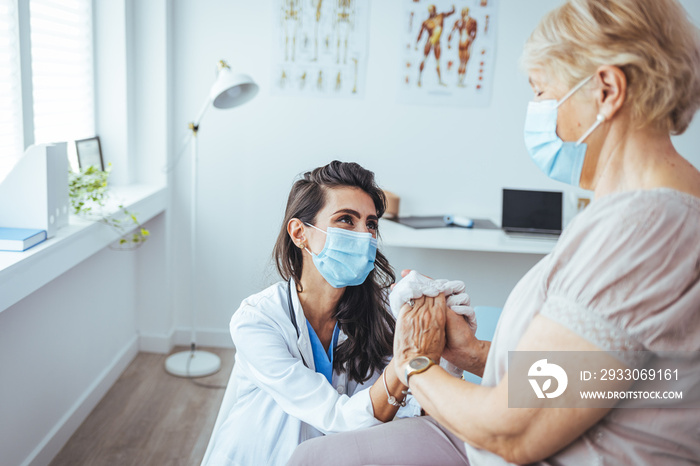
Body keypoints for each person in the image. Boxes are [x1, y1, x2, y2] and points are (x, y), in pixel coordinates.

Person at [288, 0, 700, 464]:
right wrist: (474, 354)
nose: (541, 114)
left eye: (543, 93)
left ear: (606, 89)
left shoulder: (645, 229)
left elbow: (513, 432)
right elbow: (614, 377)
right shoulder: (652, 216)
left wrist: (413, 362)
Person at [204, 161, 418, 466]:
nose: (364, 236)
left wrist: (442, 336)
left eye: (371, 224)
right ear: (300, 232)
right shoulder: (258, 320)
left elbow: (412, 407)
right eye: (346, 220)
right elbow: (337, 417)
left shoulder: (382, 311)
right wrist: (407, 359)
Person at [416, 4, 456, 87]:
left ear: (435, 10)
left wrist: (453, 9)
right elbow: (420, 33)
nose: (431, 12)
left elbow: (450, 13)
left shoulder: (440, 16)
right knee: (424, 59)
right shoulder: (426, 22)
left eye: (432, 10)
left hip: (437, 43)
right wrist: (417, 43)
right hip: (429, 42)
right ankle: (419, 79)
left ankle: (440, 80)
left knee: (438, 62)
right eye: (430, 10)